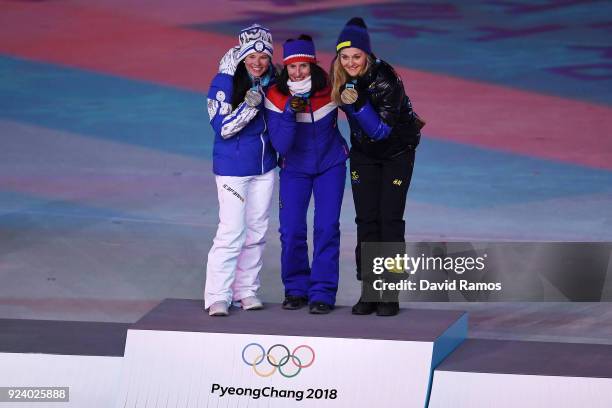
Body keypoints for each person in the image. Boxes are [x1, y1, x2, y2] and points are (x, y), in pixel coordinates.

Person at [330, 18, 424, 316]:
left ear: (367, 56)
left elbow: (381, 132)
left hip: (396, 152)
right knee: (366, 221)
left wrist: (357, 105)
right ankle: (370, 289)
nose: (350, 63)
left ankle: (390, 292)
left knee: (389, 221)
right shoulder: (338, 76)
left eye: (356, 56)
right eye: (344, 57)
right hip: (364, 155)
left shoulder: (386, 78)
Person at [265, 35, 348, 314]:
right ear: (285, 68)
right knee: (291, 230)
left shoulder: (330, 89)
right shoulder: (276, 97)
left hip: (330, 166)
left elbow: (358, 110)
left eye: (303, 66)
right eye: (292, 67)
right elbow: (281, 145)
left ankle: (322, 292)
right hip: (295, 170)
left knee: (326, 228)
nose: (297, 72)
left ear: (312, 65)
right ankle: (296, 289)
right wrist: (290, 112)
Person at [204, 24, 277, 316]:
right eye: (252, 57)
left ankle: (246, 290)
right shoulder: (224, 80)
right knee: (232, 230)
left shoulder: (277, 79)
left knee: (257, 231)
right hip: (233, 169)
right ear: (242, 56)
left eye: (263, 57)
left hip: (264, 167)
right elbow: (222, 129)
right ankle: (217, 295)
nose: (257, 63)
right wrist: (250, 106)